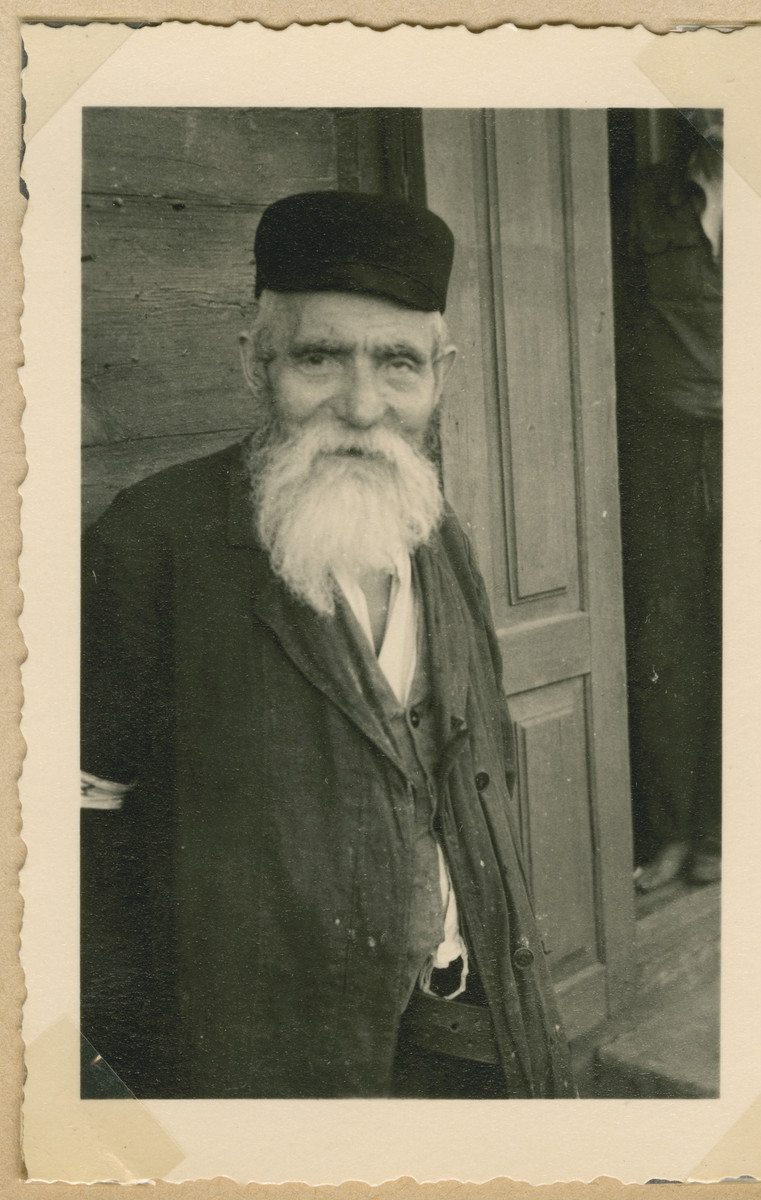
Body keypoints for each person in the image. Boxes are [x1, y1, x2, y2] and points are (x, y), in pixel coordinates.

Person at [80, 189, 574, 1100]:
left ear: (442, 372)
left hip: (466, 1025)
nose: (361, 405)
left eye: (397, 364)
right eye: (318, 359)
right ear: (254, 361)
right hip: (275, 1064)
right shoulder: (151, 542)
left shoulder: (434, 530)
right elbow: (82, 837)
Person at [613, 112, 723, 892]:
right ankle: (669, 834)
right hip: (661, 446)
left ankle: (721, 828)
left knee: (748, 637)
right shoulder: (647, 200)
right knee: (663, 638)